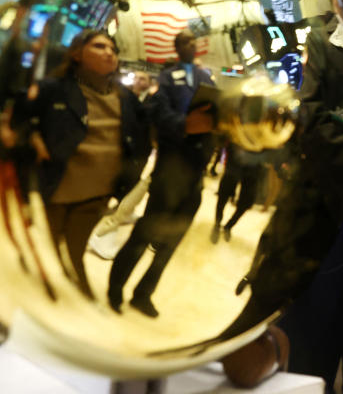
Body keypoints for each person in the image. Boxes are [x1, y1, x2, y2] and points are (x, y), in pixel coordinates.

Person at [24, 29, 152, 299]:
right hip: (57, 191)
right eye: (99, 46)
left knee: (75, 249)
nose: (109, 52)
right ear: (76, 54)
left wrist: (126, 181)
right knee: (46, 246)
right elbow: (22, 119)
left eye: (113, 49)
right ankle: (46, 293)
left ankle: (74, 290)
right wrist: (34, 138)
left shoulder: (125, 99)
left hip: (96, 196)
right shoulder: (53, 88)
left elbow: (141, 141)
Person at [107, 29, 215, 317]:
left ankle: (143, 294)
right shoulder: (167, 79)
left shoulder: (206, 79)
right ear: (177, 47)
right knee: (145, 233)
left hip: (195, 174)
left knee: (171, 243)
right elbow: (158, 114)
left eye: (193, 41)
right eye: (184, 42)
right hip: (170, 170)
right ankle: (115, 286)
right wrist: (184, 125)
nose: (190, 45)